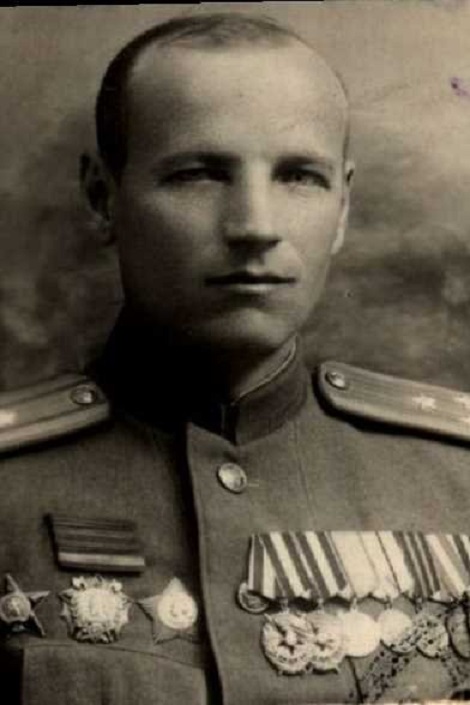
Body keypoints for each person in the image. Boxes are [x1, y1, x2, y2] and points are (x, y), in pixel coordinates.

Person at [2, 11, 470, 705]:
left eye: (299, 176)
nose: (255, 225)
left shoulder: (455, 475)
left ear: (343, 208)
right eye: (199, 174)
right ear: (103, 197)